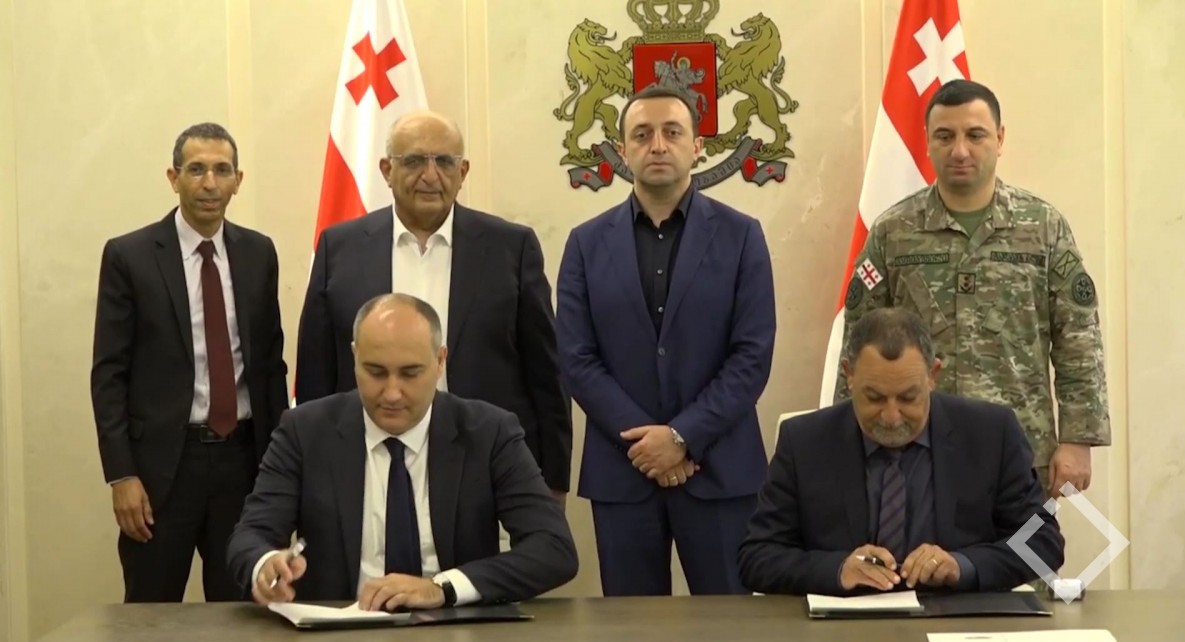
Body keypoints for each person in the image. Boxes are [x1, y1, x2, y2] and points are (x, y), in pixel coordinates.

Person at [836, 79, 1110, 499]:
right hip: (912, 450)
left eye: (975, 135)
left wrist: (1078, 439)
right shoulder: (892, 232)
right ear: (927, 141)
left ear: (999, 139)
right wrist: (845, 437)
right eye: (945, 136)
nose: (960, 150)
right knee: (916, 545)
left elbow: (1078, 338)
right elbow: (858, 341)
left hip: (1022, 451)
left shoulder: (1043, 227)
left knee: (1026, 544)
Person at [556, 86, 776, 596]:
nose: (657, 145)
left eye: (672, 132)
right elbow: (576, 358)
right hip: (624, 471)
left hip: (719, 469)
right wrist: (648, 444)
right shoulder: (585, 243)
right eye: (642, 134)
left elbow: (752, 355)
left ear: (697, 147)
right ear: (622, 150)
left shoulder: (742, 236)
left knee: (732, 626)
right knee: (632, 633)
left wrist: (681, 438)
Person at [229, 294, 578, 609]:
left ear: (440, 361)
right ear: (354, 357)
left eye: (410, 373)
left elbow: (553, 548)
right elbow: (250, 536)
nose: (392, 393)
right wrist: (265, 564)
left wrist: (442, 588)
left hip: (456, 632)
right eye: (375, 372)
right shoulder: (304, 431)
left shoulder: (489, 432)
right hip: (338, 636)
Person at [294, 111, 572, 499]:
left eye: (444, 161)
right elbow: (316, 373)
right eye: (413, 161)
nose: (430, 175)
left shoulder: (511, 247)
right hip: (367, 463)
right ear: (387, 170)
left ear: (463, 172)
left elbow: (546, 372)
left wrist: (553, 480)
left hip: (485, 463)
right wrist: (310, 471)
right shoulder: (339, 247)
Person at [90, 122, 288, 602]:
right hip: (162, 471)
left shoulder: (258, 253)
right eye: (196, 169)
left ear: (238, 180)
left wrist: (282, 469)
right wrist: (122, 475)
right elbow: (109, 375)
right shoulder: (130, 256)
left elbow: (270, 368)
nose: (209, 183)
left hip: (243, 466)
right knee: (150, 615)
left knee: (242, 615)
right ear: (173, 177)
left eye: (222, 170)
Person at [740, 308, 1063, 596]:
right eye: (875, 398)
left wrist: (962, 565)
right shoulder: (805, 442)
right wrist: (837, 569)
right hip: (843, 629)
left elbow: (1043, 542)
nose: (891, 416)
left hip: (957, 626)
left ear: (933, 375)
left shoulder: (990, 434)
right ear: (849, 375)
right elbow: (757, 557)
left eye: (908, 398)